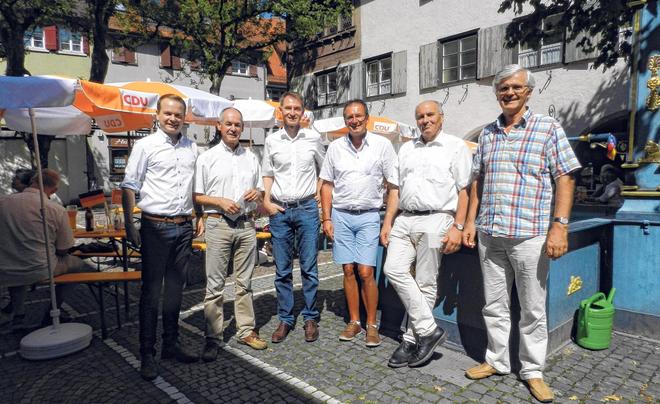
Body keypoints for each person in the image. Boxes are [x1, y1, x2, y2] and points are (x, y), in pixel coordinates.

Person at [463, 65, 580, 403]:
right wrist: (471, 222)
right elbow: (478, 182)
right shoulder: (487, 133)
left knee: (531, 309)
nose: (509, 93)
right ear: (497, 93)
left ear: (528, 92)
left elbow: (565, 177)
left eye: (516, 87)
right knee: (494, 305)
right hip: (491, 233)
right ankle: (496, 361)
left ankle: (532, 370)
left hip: (530, 235)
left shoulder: (547, 128)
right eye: (503, 88)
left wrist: (559, 225)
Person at [380, 100, 471, 368]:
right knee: (393, 269)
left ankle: (411, 339)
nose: (425, 120)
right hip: (405, 219)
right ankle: (429, 330)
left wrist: (458, 226)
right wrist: (388, 222)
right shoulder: (406, 148)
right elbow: (395, 190)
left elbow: (465, 190)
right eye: (420, 116)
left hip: (438, 219)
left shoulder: (456, 147)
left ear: (441, 117)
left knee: (426, 282)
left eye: (430, 114)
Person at [121, 94, 204, 381]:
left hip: (183, 228)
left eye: (178, 114)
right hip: (154, 227)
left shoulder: (192, 147)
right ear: (157, 115)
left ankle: (170, 344)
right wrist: (131, 225)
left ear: (184, 117)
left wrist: (200, 214)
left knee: (175, 291)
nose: (172, 118)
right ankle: (147, 352)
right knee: (151, 293)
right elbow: (129, 185)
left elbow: (196, 187)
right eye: (167, 113)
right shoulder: (145, 146)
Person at [320, 99, 397, 347]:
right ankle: (354, 321)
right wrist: (327, 217)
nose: (354, 120)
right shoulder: (335, 148)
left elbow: (393, 185)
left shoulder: (382, 146)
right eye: (349, 117)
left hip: (368, 215)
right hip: (341, 214)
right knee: (348, 270)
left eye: (358, 116)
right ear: (345, 121)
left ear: (367, 118)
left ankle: (371, 324)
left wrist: (388, 222)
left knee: (366, 271)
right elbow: (327, 185)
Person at [194, 107, 268, 362]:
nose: (233, 128)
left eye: (238, 124)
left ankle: (245, 331)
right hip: (218, 223)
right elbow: (197, 196)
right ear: (219, 125)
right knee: (214, 286)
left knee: (244, 283)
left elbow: (261, 193)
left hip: (246, 225)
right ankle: (213, 337)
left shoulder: (251, 157)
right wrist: (220, 202)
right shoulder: (207, 157)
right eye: (229, 124)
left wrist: (257, 195)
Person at [262, 92, 325, 344]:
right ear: (281, 111)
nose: (291, 112)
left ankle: (310, 317)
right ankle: (286, 319)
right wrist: (266, 201)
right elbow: (267, 173)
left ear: (302, 111)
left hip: (307, 208)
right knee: (282, 269)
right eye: (287, 108)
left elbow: (325, 168)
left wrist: (319, 192)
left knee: (309, 267)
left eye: (296, 108)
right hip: (280, 210)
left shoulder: (313, 138)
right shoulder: (271, 141)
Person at [0, 169, 91, 327]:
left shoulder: (3, 201)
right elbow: (64, 249)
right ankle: (52, 312)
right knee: (80, 266)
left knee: (18, 262)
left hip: (7, 267)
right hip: (40, 267)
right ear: (54, 190)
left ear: (32, 181)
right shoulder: (55, 208)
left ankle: (19, 314)